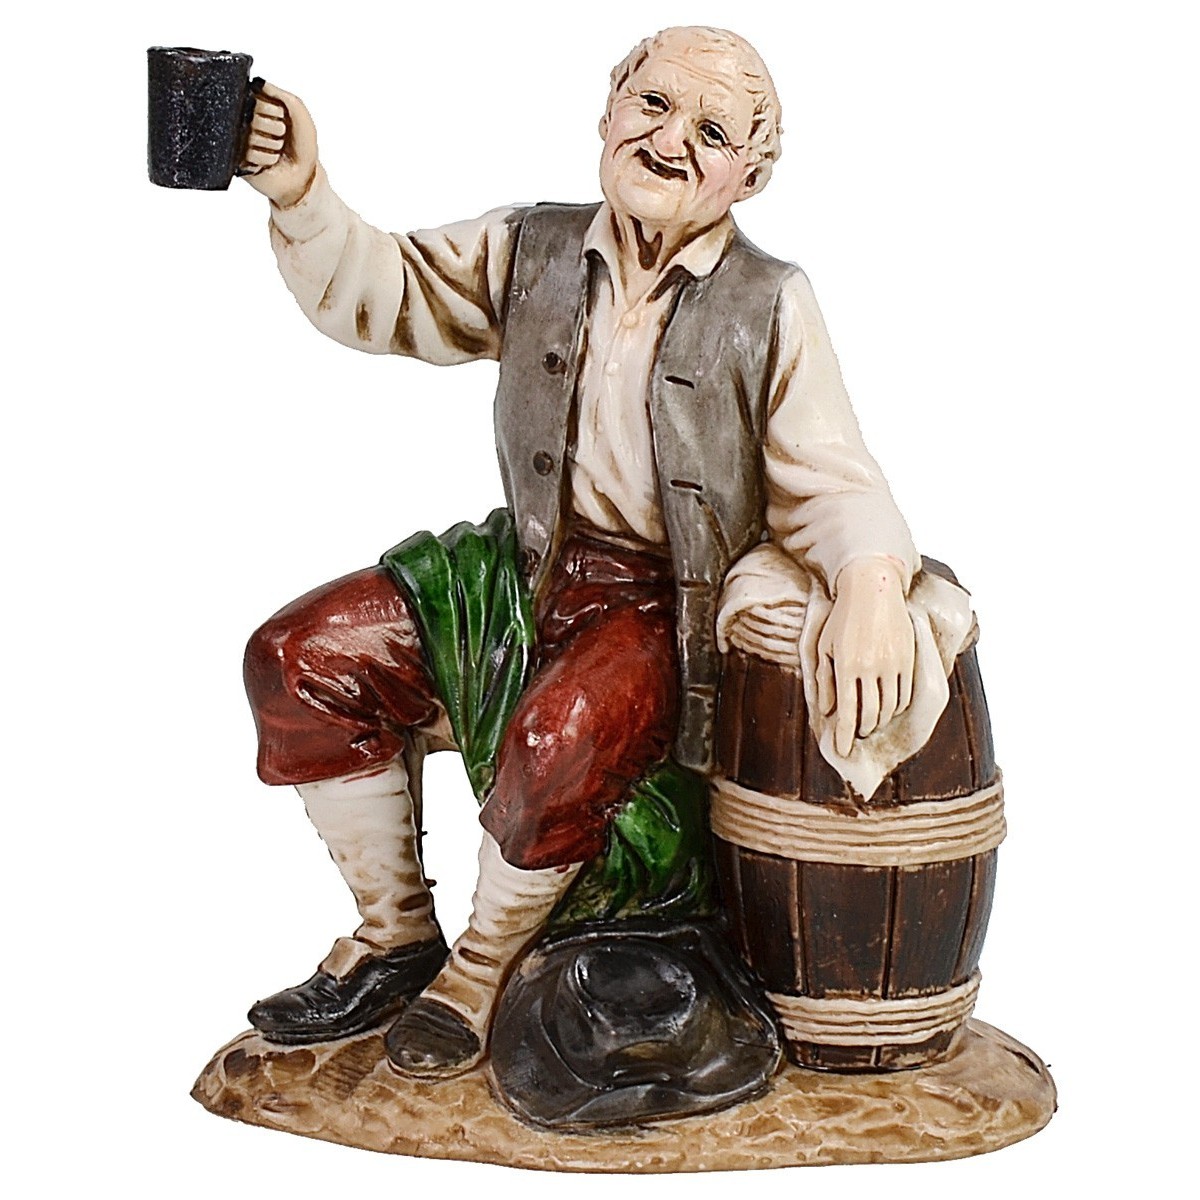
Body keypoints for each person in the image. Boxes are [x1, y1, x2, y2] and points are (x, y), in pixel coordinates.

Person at [235, 26, 924, 1080]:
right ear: (607, 112)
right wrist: (300, 193)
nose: (670, 141)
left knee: (558, 739)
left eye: (712, 132)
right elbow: (392, 290)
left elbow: (831, 477)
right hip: (525, 566)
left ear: (751, 174)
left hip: (662, 600)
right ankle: (394, 936)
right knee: (301, 656)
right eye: (653, 105)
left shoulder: (769, 302)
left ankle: (478, 972)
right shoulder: (532, 248)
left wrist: (872, 582)